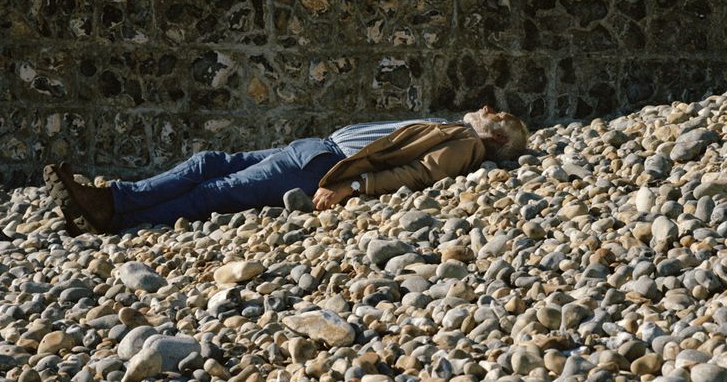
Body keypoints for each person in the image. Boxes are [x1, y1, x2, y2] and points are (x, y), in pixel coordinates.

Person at [44, 106, 528, 235]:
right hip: (316, 147)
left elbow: (419, 173)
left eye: (498, 115)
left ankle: (114, 212)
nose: (488, 108)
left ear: (499, 138)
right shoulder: (455, 128)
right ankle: (110, 200)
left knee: (215, 189)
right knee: (207, 163)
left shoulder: (467, 144)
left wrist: (355, 187)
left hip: (322, 168)